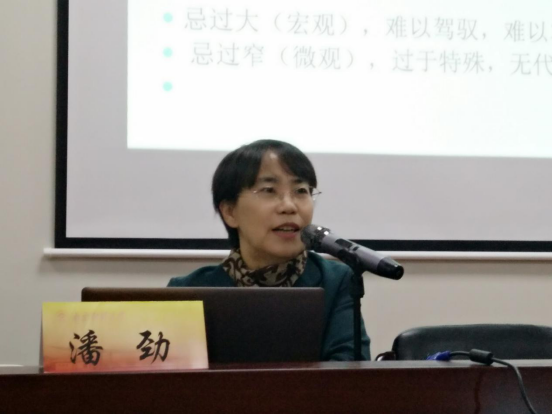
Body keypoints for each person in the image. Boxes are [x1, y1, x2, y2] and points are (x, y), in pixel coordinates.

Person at [168, 139, 370, 361]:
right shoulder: (188, 292)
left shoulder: (336, 281)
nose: (289, 206)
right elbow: (172, 376)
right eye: (269, 190)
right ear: (230, 212)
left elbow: (348, 373)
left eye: (301, 190)